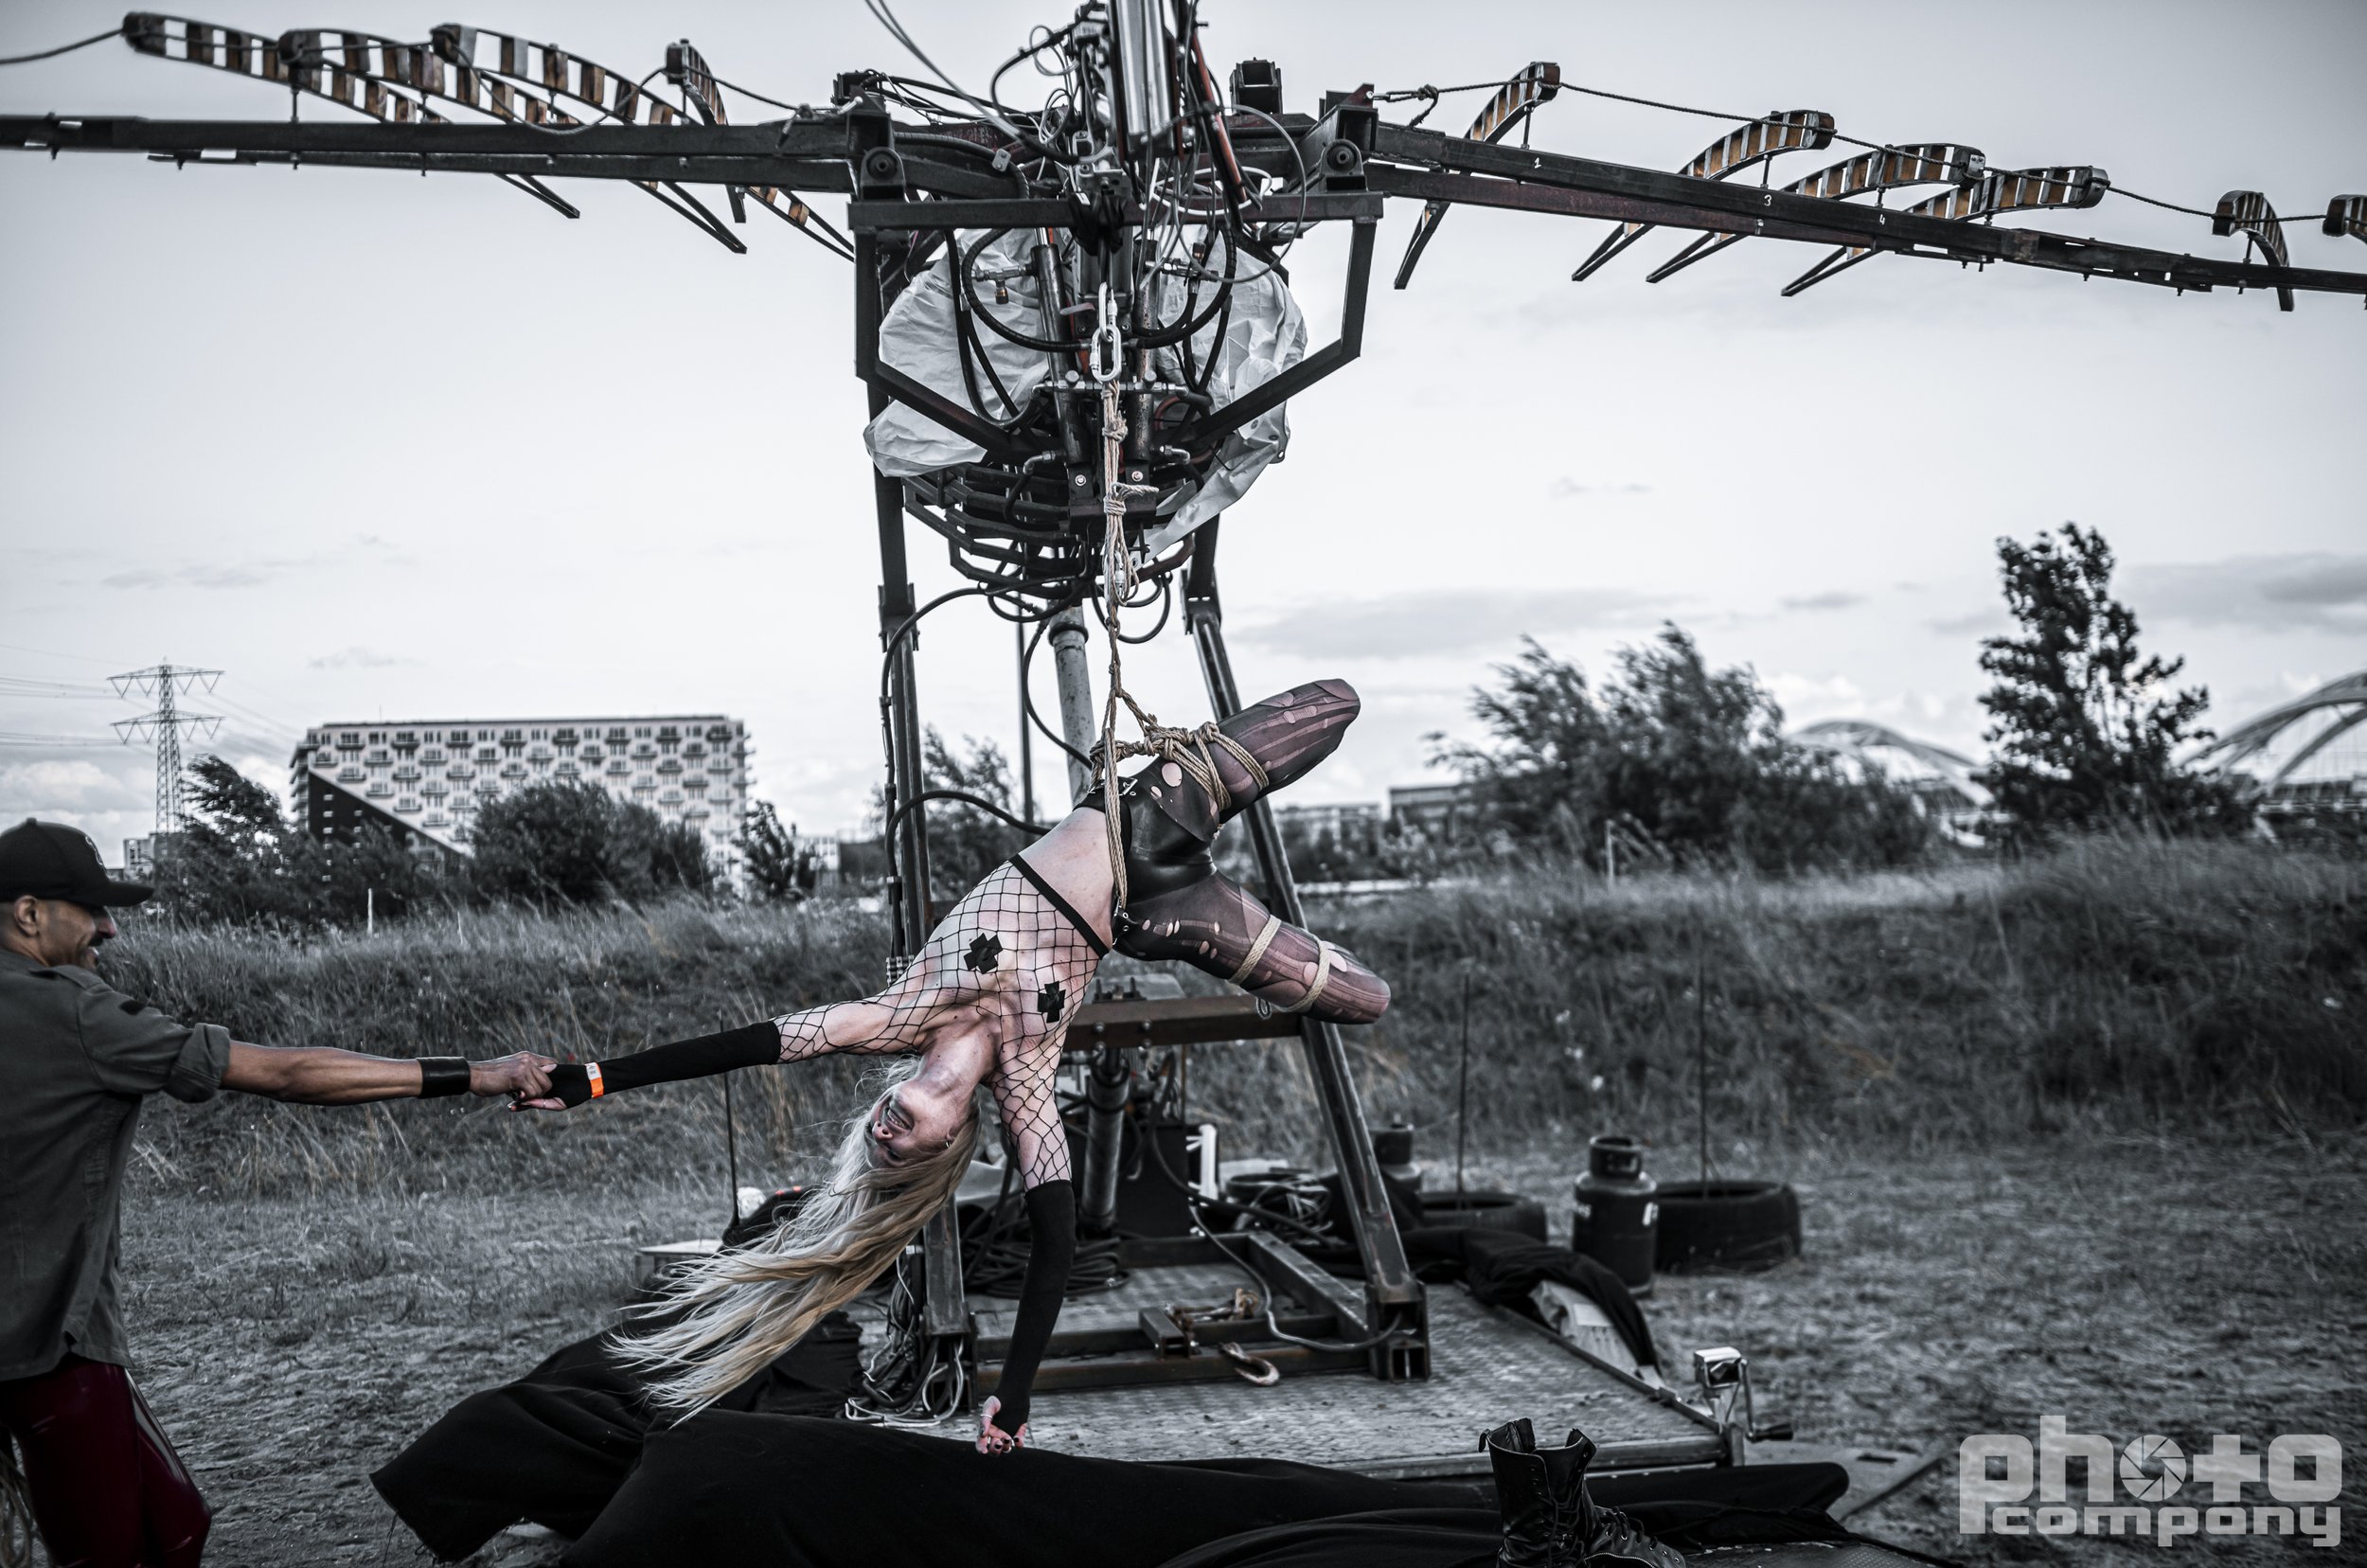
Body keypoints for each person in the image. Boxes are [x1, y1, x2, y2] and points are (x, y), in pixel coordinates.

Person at [514, 679, 1388, 1455]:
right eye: (903, 1149)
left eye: (878, 1132)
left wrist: (592, 1081)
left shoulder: (896, 1015)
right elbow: (1056, 1251)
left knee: (1333, 703)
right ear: (947, 1147)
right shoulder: (1027, 1079)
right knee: (1364, 998)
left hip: (1142, 813)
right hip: (1163, 912)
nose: (889, 1131)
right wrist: (1011, 1398)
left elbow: (743, 1046)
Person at [0, 817, 556, 1568]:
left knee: (176, 1526)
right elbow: (289, 1074)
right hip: (48, 1349)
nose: (110, 927)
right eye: (90, 908)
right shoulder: (69, 1006)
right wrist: (478, 1073)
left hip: (46, 1341)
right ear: (28, 913)